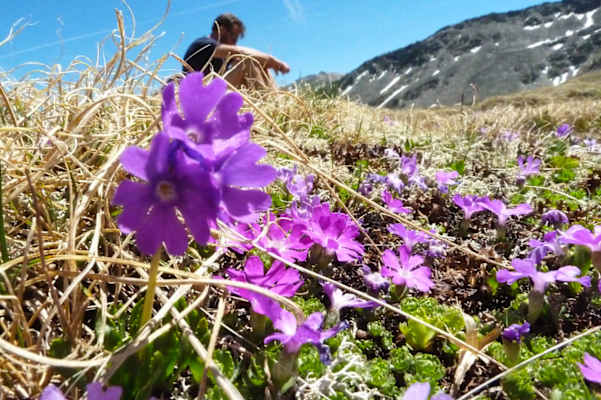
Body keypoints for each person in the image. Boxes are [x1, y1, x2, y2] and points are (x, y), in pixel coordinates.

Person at [182, 13, 290, 90]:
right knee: (246, 61)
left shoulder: (223, 55)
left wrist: (265, 63)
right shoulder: (203, 44)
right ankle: (271, 105)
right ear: (222, 30)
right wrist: (275, 62)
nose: (235, 42)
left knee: (256, 62)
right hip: (198, 98)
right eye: (234, 36)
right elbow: (240, 52)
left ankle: (276, 99)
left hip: (214, 93)